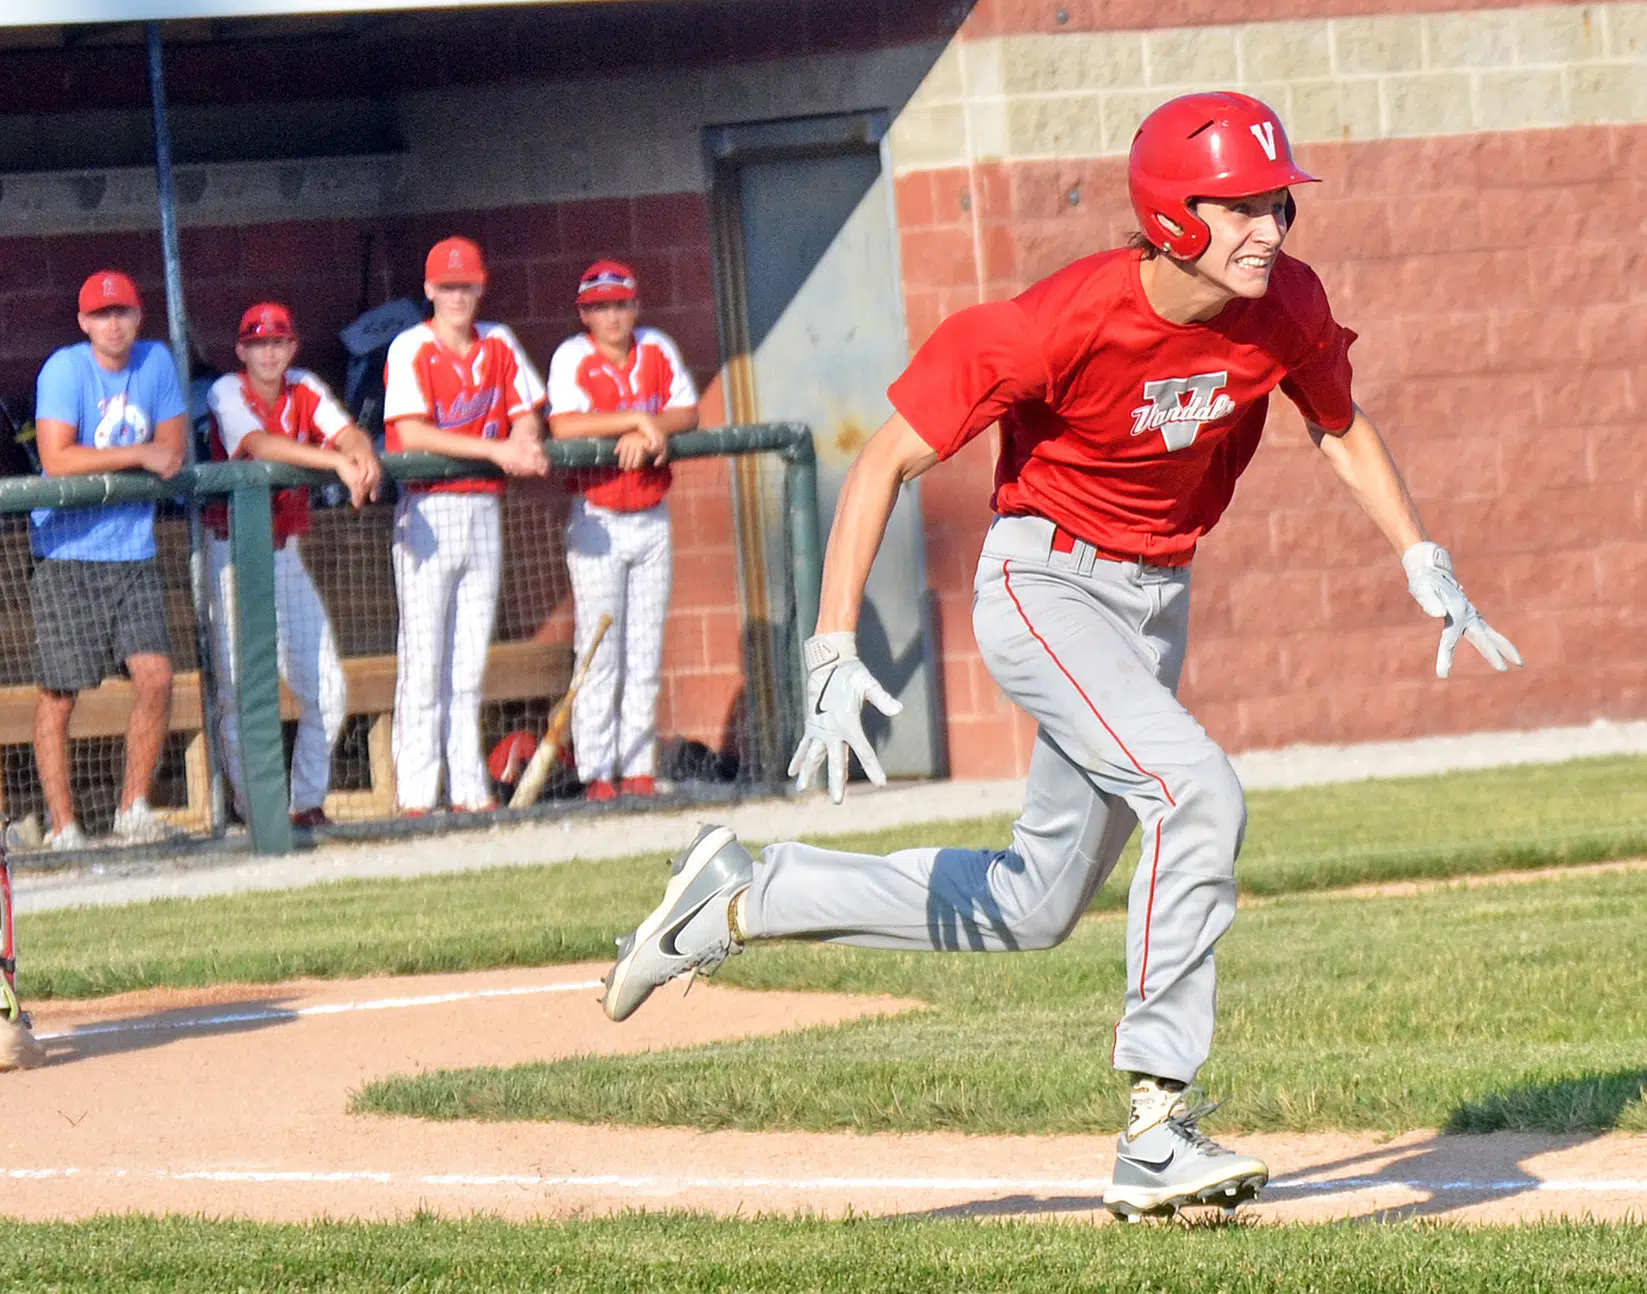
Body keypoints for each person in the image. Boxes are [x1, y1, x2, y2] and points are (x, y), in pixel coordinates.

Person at [598, 92, 1520, 1220]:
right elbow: (883, 460)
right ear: (1171, 213)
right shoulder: (1054, 322)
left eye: (1276, 203)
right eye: (1239, 207)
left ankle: (749, 895)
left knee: (1031, 905)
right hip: (1045, 582)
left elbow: (1335, 421)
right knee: (1195, 792)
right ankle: (1155, 1124)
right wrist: (830, 644)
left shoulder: (1284, 305)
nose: (1269, 228)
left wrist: (1419, 552)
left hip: (1153, 598)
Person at [381, 237, 550, 815]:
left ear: (480, 287)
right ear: (429, 290)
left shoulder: (498, 342)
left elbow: (527, 412)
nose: (456, 295)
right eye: (446, 286)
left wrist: (523, 440)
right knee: (424, 665)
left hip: (482, 512)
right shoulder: (411, 346)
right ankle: (416, 795)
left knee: (469, 663)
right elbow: (412, 434)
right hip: (429, 512)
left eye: (466, 285)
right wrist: (499, 451)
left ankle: (470, 789)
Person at [202, 302, 384, 829]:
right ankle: (258, 811)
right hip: (230, 554)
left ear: (292, 346)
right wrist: (335, 461)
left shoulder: (302, 383)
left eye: (278, 341)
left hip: (283, 553)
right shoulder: (224, 390)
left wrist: (360, 451)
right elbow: (258, 446)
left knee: (328, 686)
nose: (269, 351)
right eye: (258, 343)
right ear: (241, 350)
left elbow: (343, 429)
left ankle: (305, 804)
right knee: (238, 695)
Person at [28, 271, 192, 850]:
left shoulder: (156, 362)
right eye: (101, 314)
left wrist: (148, 455)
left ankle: (133, 810)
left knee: (157, 675)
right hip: (68, 552)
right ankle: (62, 826)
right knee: (60, 691)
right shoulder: (65, 368)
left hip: (133, 549)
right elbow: (58, 458)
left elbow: (172, 452)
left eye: (121, 311)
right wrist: (137, 454)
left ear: (139, 315)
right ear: (83, 322)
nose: (113, 323)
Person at [545, 260, 698, 802]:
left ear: (635, 305)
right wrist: (636, 420)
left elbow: (688, 410)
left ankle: (637, 765)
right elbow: (564, 425)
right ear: (584, 313)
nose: (611, 315)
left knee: (645, 647)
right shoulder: (572, 355)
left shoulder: (655, 346)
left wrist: (653, 424)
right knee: (600, 647)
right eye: (600, 306)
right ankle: (597, 771)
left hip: (651, 512)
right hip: (597, 516)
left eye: (620, 303)